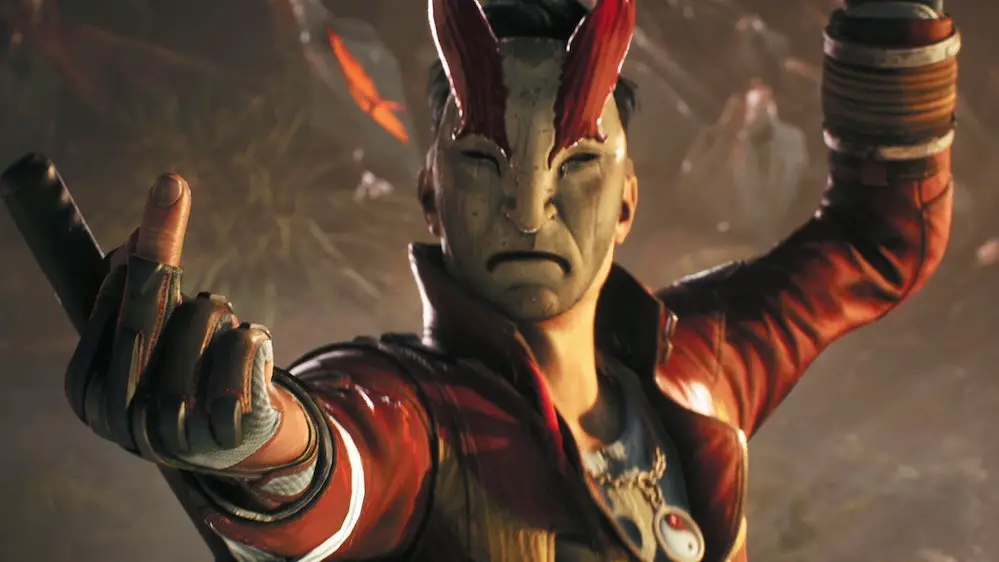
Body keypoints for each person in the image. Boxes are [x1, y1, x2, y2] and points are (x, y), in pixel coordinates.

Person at [62, 0, 958, 560]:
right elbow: (342, 460)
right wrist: (257, 441)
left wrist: (896, 16)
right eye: (483, 163)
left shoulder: (699, 368)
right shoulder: (417, 416)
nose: (528, 210)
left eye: (576, 165)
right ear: (430, 194)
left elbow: (879, 241)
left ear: (626, 201)